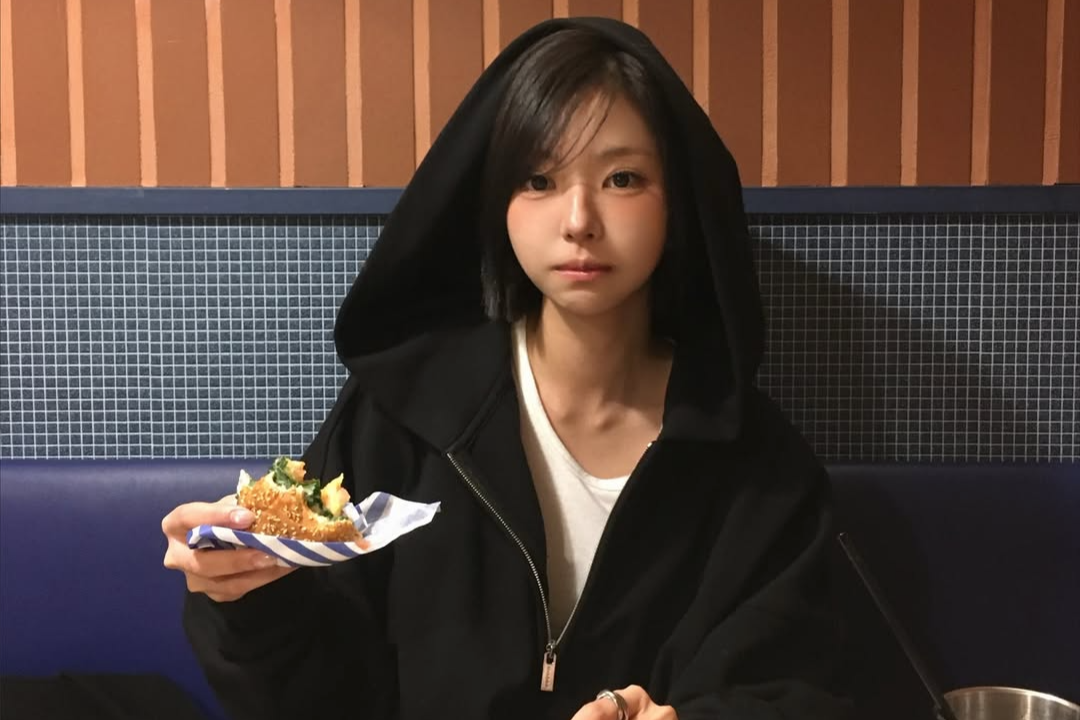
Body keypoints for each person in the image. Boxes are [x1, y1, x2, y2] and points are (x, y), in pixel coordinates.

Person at [162, 17, 847, 720]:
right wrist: (245, 593)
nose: (579, 220)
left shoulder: (754, 463)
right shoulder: (408, 412)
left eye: (622, 178)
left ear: (679, 200)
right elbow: (315, 691)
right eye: (539, 179)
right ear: (497, 201)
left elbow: (795, 689)